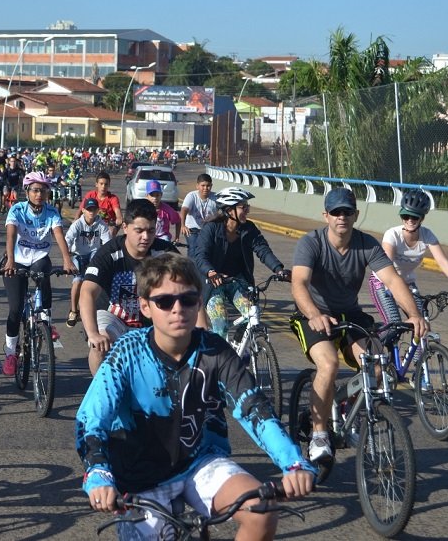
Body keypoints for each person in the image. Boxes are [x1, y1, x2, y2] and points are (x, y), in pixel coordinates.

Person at [75, 253, 315, 541]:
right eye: (165, 301)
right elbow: (91, 421)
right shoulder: (126, 352)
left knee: (261, 511)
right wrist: (98, 473)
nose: (178, 309)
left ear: (199, 302)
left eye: (187, 299)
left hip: (199, 461)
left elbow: (255, 409)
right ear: (145, 306)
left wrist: (293, 462)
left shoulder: (215, 350)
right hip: (138, 477)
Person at [290, 187, 429, 463]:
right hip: (314, 315)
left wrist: (413, 314)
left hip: (350, 314)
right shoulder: (311, 243)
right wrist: (314, 314)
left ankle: (346, 407)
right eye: (336, 212)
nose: (341, 217)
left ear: (356, 215)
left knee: (378, 365)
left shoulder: (366, 244)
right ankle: (319, 435)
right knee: (329, 364)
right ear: (326, 215)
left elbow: (392, 280)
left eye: (347, 212)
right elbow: (299, 284)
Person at [80, 199, 178, 375]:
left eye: (151, 230)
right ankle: (100, 389)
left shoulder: (164, 252)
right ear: (125, 227)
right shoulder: (109, 253)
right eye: (139, 231)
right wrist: (93, 334)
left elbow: (190, 289)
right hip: (113, 316)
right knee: (100, 346)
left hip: (152, 319)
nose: (146, 237)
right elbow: (87, 292)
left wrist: (201, 331)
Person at [0, 172, 76, 376]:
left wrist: (67, 260)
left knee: (43, 272)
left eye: (43, 191)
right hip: (17, 259)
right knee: (15, 309)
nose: (39, 194)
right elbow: (11, 235)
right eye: (35, 190)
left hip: (39, 258)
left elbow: (58, 235)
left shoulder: (51, 212)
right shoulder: (17, 209)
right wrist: (10, 260)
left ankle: (45, 320)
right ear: (27, 192)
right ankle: (11, 353)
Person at [191, 187, 290, 339]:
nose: (247, 211)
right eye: (243, 207)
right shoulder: (211, 229)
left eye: (247, 206)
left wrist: (278, 269)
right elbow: (200, 256)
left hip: (236, 281)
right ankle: (219, 352)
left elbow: (263, 250)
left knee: (252, 313)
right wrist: (211, 272)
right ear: (229, 210)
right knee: (221, 324)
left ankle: (239, 344)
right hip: (213, 283)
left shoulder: (249, 229)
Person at [368, 189, 448, 323]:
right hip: (383, 282)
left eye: (415, 217)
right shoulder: (392, 234)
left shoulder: (427, 235)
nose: (410, 220)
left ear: (422, 218)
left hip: (407, 282)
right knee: (394, 323)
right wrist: (389, 287)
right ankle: (378, 336)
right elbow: (388, 262)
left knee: (421, 322)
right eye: (405, 216)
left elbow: (442, 260)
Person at [64, 197, 111, 328]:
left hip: (93, 255)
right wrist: (67, 261)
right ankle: (74, 311)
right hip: (78, 255)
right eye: (89, 209)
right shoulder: (77, 224)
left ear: (98, 210)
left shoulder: (102, 225)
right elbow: (67, 241)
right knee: (77, 281)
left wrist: (107, 262)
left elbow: (107, 244)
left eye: (94, 209)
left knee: (94, 280)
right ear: (83, 210)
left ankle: (93, 309)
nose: (91, 212)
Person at [179, 173, 214, 253]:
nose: (205, 188)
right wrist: (183, 225)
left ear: (211, 186)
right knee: (194, 248)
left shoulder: (215, 197)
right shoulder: (191, 196)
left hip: (207, 229)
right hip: (192, 229)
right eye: (203, 185)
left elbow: (222, 211)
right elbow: (184, 210)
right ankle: (191, 261)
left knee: (207, 249)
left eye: (208, 185)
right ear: (197, 186)